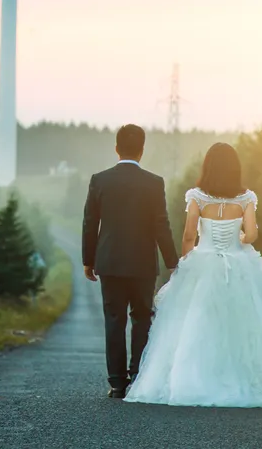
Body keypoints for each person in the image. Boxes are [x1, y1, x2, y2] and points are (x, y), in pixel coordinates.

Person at [124, 142, 262, 409]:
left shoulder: (196, 196)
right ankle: (243, 378)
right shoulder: (246, 198)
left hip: (202, 264)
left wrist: (185, 260)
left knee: (198, 323)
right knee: (245, 325)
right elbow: (251, 234)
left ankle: (194, 379)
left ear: (208, 167)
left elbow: (189, 234)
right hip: (239, 265)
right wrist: (238, 237)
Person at [82, 124, 179, 399]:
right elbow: (162, 225)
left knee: (114, 320)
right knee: (142, 319)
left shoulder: (99, 180)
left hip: (109, 263)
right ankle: (138, 375)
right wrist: (172, 262)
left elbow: (90, 223)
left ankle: (116, 382)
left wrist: (88, 260)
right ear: (142, 150)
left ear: (116, 149)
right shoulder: (154, 182)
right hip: (142, 264)